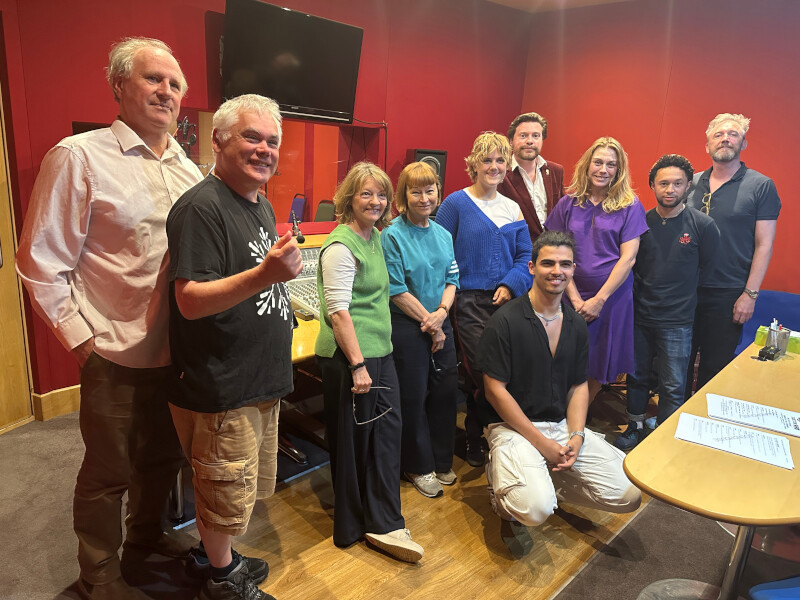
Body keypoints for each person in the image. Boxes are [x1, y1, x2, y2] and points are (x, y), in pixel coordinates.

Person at [15, 37, 202, 600]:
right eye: (153, 79)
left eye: (174, 83)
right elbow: (40, 261)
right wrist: (82, 341)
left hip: (179, 352)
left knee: (163, 458)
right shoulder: (78, 156)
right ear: (118, 86)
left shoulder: (189, 168)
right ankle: (99, 575)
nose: (166, 91)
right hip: (114, 350)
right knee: (107, 472)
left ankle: (147, 539)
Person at [167, 94, 301, 600]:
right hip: (222, 385)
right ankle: (222, 582)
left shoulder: (259, 201)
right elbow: (190, 301)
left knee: (238, 489)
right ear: (219, 139)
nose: (263, 149)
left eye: (272, 141)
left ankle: (211, 555)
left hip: (256, 378)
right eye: (251, 137)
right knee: (223, 490)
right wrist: (266, 273)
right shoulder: (201, 208)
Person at [477, 231, 641, 525]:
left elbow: (579, 385)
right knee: (535, 510)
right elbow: (494, 391)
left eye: (565, 265)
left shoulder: (576, 323)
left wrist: (576, 436)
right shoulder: (504, 321)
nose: (557, 271)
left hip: (560, 425)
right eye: (547, 263)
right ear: (531, 267)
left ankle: (548, 481)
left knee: (629, 494)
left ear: (573, 270)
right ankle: (502, 486)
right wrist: (541, 443)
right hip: (512, 427)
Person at [315, 162, 424, 563]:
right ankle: (355, 524)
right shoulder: (341, 245)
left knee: (385, 437)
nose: (375, 201)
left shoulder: (376, 237)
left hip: (380, 351)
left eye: (381, 194)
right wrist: (358, 364)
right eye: (366, 194)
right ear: (349, 198)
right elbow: (339, 311)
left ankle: (383, 517)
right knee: (355, 444)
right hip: (352, 358)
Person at [435, 132, 532, 468]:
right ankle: (486, 436)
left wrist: (511, 284)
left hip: (506, 301)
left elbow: (526, 256)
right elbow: (438, 250)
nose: (494, 166)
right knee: (484, 371)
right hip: (468, 302)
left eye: (500, 160)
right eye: (486, 160)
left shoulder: (513, 208)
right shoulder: (455, 204)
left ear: (508, 166)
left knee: (504, 370)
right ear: (473, 164)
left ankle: (489, 435)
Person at [615, 155, 720, 450]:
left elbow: (708, 268)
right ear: (652, 186)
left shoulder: (703, 225)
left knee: (673, 385)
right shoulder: (640, 223)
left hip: (678, 321)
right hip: (639, 317)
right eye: (663, 183)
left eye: (677, 183)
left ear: (689, 185)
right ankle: (634, 425)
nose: (670, 189)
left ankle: (665, 435)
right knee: (636, 377)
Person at [544, 137, 647, 405]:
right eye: (598, 162)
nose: (603, 169)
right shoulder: (568, 203)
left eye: (611, 165)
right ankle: (555, 415)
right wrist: (576, 299)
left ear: (619, 169)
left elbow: (628, 258)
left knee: (598, 364)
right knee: (562, 357)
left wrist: (599, 300)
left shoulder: (630, 205)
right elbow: (555, 253)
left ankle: (573, 421)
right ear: (587, 165)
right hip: (567, 294)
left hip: (611, 298)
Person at [686, 113, 781, 396]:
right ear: (707, 145)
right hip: (685, 291)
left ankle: (701, 426)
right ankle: (668, 424)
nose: (725, 138)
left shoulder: (761, 185)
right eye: (718, 134)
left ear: (743, 143)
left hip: (728, 293)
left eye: (733, 134)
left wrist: (750, 294)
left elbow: (764, 244)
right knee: (676, 363)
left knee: (713, 369)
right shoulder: (691, 182)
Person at [380, 162, 460, 498]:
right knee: (412, 398)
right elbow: (396, 290)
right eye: (416, 191)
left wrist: (441, 315)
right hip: (407, 328)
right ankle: (417, 464)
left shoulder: (443, 234)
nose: (424, 197)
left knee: (444, 394)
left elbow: (452, 279)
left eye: (429, 190)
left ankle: (441, 460)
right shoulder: (392, 235)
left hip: (440, 322)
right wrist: (429, 323)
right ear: (403, 196)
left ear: (437, 193)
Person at [498, 112, 565, 242]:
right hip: (516, 253)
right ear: (511, 141)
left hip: (550, 252)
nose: (530, 141)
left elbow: (561, 214)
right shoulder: (500, 173)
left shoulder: (556, 171)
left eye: (536, 136)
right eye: (523, 136)